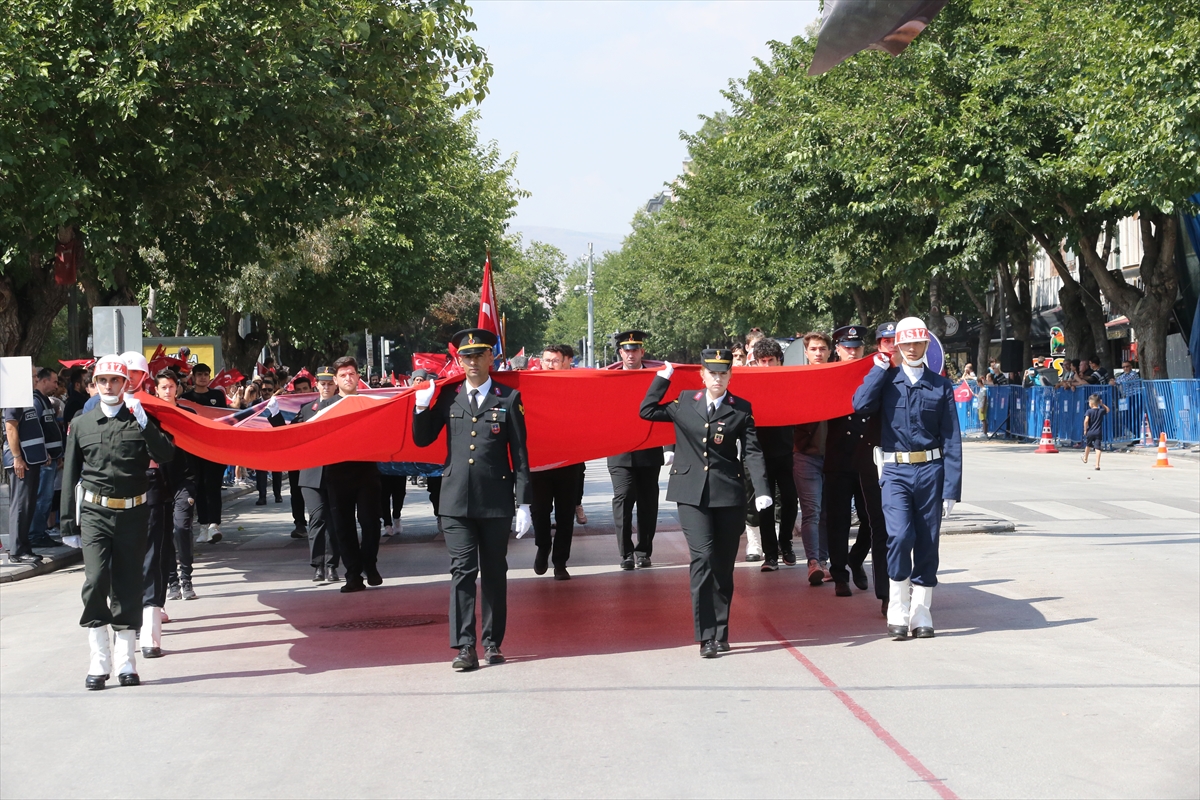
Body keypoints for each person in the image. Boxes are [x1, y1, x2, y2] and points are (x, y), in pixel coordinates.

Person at [412, 328, 532, 671]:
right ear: (459, 361)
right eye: (467, 357)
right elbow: (423, 441)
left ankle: (492, 642)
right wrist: (422, 407)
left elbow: (520, 454)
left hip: (495, 500)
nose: (473, 362)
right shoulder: (449, 397)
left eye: (480, 355)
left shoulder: (508, 398)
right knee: (463, 571)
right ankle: (465, 646)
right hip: (456, 502)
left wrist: (524, 503)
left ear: (491, 358)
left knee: (495, 572)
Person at [640, 348, 770, 658]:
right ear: (702, 375)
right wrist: (662, 379)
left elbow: (752, 451)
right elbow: (646, 410)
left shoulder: (741, 408)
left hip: (727, 494)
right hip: (690, 493)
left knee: (723, 565)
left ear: (730, 376)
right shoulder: (685, 401)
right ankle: (706, 636)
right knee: (703, 558)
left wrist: (763, 488)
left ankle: (721, 631)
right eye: (712, 373)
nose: (717, 378)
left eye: (723, 373)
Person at [60, 355, 175, 689]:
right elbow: (70, 476)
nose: (109, 386)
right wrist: (69, 523)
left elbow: (166, 454)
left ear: (127, 384)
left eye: (115, 381)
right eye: (102, 381)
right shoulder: (81, 424)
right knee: (96, 581)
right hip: (95, 514)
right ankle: (99, 660)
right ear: (94, 384)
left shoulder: (138, 420)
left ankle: (126, 661)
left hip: (134, 513)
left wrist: (144, 421)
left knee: (127, 585)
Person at [852, 317, 962, 641]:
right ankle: (897, 608)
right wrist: (880, 367)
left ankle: (921, 611)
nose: (912, 349)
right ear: (897, 345)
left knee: (928, 542)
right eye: (906, 343)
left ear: (927, 345)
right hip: (896, 470)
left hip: (931, 471)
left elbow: (952, 438)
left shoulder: (940, 386)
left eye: (918, 343)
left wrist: (952, 489)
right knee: (899, 537)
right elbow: (860, 405)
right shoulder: (887, 380)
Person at [268, 366, 341, 582]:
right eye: (322, 383)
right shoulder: (308, 408)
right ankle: (318, 564)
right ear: (316, 385)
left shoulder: (343, 405)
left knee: (334, 519)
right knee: (317, 518)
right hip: (311, 474)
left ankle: (332, 565)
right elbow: (291, 436)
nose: (326, 387)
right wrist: (274, 414)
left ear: (335, 384)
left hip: (335, 471)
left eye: (330, 383)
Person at [606, 330, 669, 570]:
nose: (631, 354)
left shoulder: (656, 377)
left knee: (648, 503)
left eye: (635, 350)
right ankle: (625, 553)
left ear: (642, 352)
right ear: (620, 352)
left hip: (649, 448)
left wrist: (669, 445)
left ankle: (644, 550)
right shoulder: (609, 378)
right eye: (626, 350)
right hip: (620, 451)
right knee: (623, 499)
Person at [322, 357, 382, 592]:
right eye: (343, 375)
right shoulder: (326, 408)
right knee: (342, 526)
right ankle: (353, 574)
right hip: (337, 473)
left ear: (358, 377)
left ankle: (370, 564)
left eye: (352, 373)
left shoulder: (370, 402)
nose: (348, 378)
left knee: (370, 522)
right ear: (335, 380)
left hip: (367, 471)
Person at [822, 325, 873, 597]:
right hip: (838, 458)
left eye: (857, 347)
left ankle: (856, 557)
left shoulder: (873, 373)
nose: (852, 352)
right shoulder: (828, 375)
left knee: (871, 519)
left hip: (866, 458)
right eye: (847, 348)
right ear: (838, 350)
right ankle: (840, 573)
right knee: (838, 520)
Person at [850, 321, 896, 616]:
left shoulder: (919, 372)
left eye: (896, 340)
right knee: (881, 528)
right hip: (876, 461)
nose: (892, 346)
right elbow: (861, 404)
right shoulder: (875, 371)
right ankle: (887, 594)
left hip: (911, 462)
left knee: (906, 532)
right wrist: (879, 370)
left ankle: (906, 583)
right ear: (878, 345)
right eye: (886, 341)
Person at [530, 344, 584, 580]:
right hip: (539, 464)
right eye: (546, 360)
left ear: (567, 362)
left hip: (568, 462)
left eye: (554, 360)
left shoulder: (578, 386)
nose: (549, 364)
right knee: (539, 511)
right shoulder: (532, 386)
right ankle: (543, 546)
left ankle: (560, 562)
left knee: (565, 515)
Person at [745, 339, 797, 572]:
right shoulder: (748, 385)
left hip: (787, 452)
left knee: (789, 500)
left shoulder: (790, 383)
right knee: (762, 504)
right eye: (762, 362)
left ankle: (785, 543)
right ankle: (770, 554)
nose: (766, 366)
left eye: (771, 361)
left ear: (779, 361)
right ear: (755, 363)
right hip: (758, 454)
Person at [152, 371, 200, 603]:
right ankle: (171, 581)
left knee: (181, 528)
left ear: (177, 389)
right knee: (164, 534)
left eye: (172, 386)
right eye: (164, 387)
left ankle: (186, 578)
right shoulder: (149, 417)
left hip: (184, 480)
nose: (168, 391)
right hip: (158, 481)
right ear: (156, 390)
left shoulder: (188, 414)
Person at [4, 365, 56, 563]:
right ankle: (17, 551)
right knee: (20, 505)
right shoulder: (15, 398)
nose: (36, 379)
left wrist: (42, 454)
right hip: (21, 461)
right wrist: (17, 457)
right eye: (33, 376)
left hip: (31, 459)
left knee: (28, 505)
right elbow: (11, 428)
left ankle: (24, 547)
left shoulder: (25, 398)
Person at [792, 331, 832, 583]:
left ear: (830, 351)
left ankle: (825, 561)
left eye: (822, 348)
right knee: (812, 511)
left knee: (828, 512)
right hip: (805, 455)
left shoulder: (839, 377)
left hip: (835, 457)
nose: (818, 353)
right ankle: (813, 561)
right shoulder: (797, 380)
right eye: (814, 349)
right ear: (806, 353)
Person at [182, 364, 228, 543]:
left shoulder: (217, 395)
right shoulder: (185, 398)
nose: (203, 377)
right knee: (199, 488)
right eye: (199, 374)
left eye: (206, 374)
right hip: (194, 450)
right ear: (193, 376)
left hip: (214, 449)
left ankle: (214, 525)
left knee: (213, 487)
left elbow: (225, 418)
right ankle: (202, 526)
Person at [29, 367, 66, 548]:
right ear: (44, 381)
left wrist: (57, 454)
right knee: (42, 498)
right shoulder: (36, 402)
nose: (56, 385)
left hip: (51, 458)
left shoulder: (45, 402)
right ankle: (36, 534)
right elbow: (34, 430)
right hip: (44, 461)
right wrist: (43, 454)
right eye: (54, 381)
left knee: (46, 497)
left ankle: (39, 532)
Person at [283, 374, 312, 538]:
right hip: (296, 457)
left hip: (315, 456)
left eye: (305, 389)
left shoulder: (321, 405)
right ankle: (300, 524)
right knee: (297, 491)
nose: (302, 392)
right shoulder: (289, 410)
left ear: (311, 389)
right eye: (299, 390)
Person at [1082, 393, 1109, 470]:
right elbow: (1107, 410)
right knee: (1098, 448)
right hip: (1098, 432)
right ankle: (1097, 464)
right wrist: (1102, 404)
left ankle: (1085, 458)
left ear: (1091, 403)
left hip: (1090, 432)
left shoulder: (1089, 411)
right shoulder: (1100, 411)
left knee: (1088, 445)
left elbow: (1086, 421)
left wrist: (1085, 429)